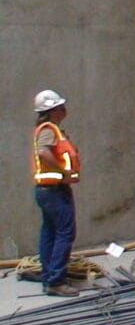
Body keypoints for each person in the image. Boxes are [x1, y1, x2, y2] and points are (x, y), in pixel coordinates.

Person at [31, 89, 81, 297]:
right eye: (60, 107)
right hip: (54, 190)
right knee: (65, 232)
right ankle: (55, 281)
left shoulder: (52, 129)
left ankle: (49, 276)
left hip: (48, 190)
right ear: (52, 111)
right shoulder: (49, 130)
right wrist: (64, 172)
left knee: (50, 232)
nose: (64, 109)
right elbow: (44, 151)